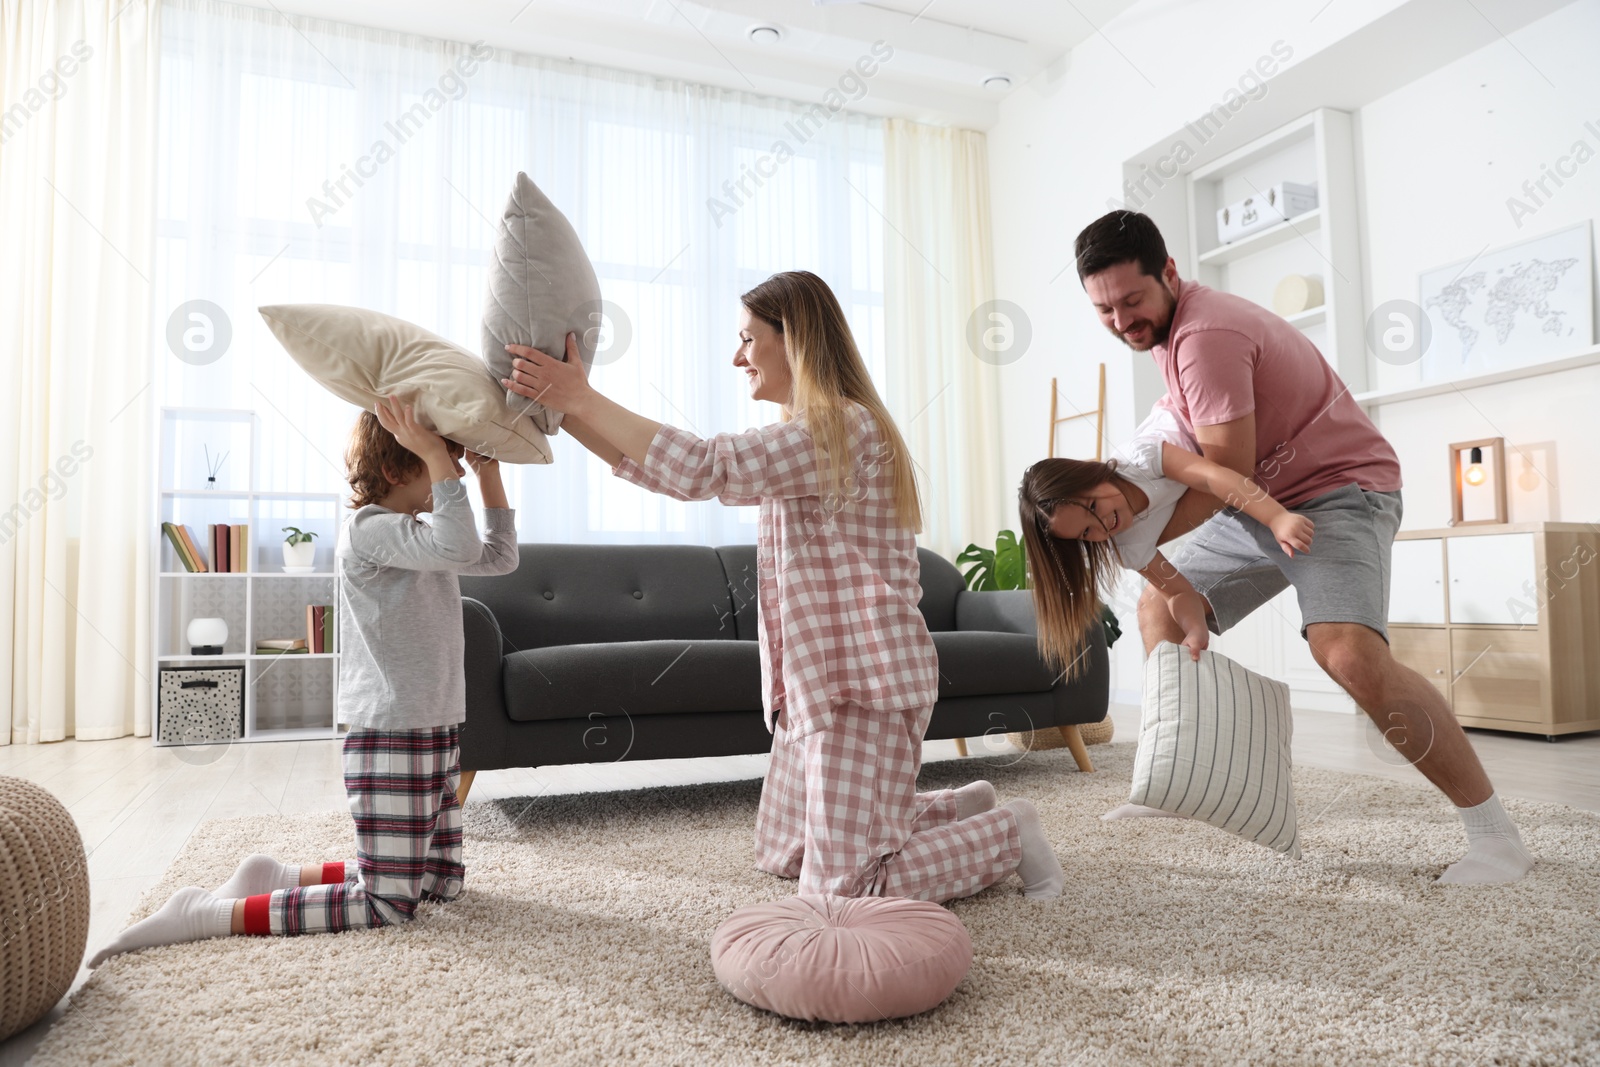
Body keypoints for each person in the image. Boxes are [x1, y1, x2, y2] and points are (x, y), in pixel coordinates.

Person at [503, 270, 1065, 901]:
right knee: (784, 853)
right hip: (812, 683)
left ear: (793, 338)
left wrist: (581, 398)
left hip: (862, 685)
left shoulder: (841, 430)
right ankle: (958, 809)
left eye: (748, 338)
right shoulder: (811, 437)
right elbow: (666, 472)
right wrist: (559, 410)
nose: (736, 356)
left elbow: (704, 467)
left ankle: (1008, 833)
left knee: (845, 889)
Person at [1071, 209, 1532, 885]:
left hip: (1337, 490)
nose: (1122, 321)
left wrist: (1128, 530)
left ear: (1169, 273)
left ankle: (1496, 836)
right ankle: (1179, 779)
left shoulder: (1205, 335)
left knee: (1346, 652)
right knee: (1162, 608)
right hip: (1258, 494)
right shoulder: (1167, 336)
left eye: (1132, 300)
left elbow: (1226, 469)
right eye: (1105, 309)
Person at [89, 397, 518, 966]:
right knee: (390, 904)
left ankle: (276, 875)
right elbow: (462, 543)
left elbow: (500, 557)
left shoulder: (417, 535)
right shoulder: (370, 529)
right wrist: (443, 458)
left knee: (441, 883)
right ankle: (205, 912)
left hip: (436, 720)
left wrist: (488, 474)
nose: (453, 470)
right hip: (391, 729)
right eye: (440, 459)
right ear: (396, 468)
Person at [1018, 403, 1314, 670]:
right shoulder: (1127, 547)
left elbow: (1214, 476)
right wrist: (1195, 628)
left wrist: (1277, 517)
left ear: (1091, 475)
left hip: (1194, 415)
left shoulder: (1140, 459)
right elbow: (1176, 591)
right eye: (1086, 532)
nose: (1102, 525)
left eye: (1094, 507)